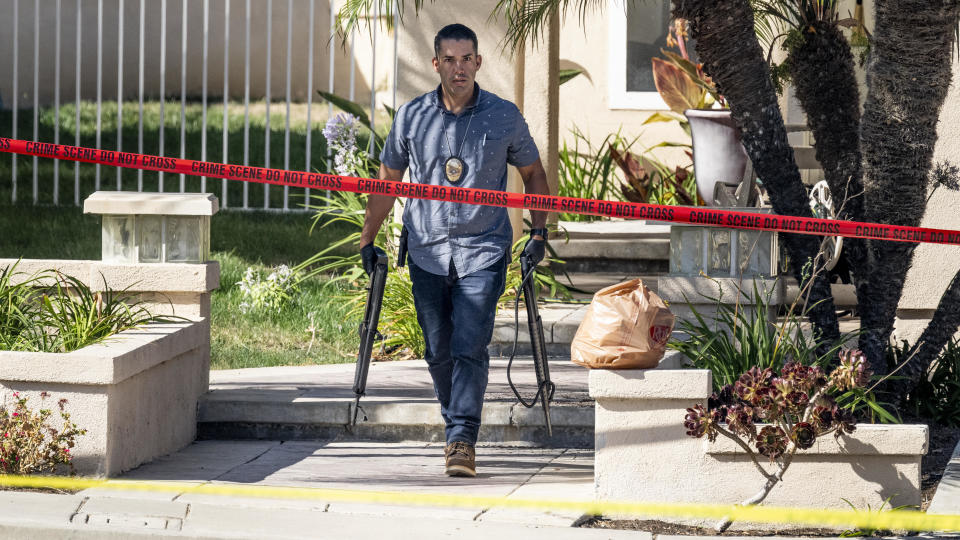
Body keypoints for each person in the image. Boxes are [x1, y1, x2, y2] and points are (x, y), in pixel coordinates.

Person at [358, 23, 551, 478]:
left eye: (467, 59)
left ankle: (461, 437)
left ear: (478, 63)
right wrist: (367, 238)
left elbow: (535, 174)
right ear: (436, 64)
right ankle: (456, 425)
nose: (459, 68)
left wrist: (539, 233)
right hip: (426, 249)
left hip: (482, 248)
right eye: (450, 59)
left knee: (470, 344)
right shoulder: (411, 117)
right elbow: (387, 182)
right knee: (437, 349)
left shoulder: (503, 116)